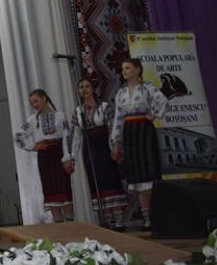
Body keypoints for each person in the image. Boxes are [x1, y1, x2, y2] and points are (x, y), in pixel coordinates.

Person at [111, 57, 169, 230]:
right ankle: (147, 218)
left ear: (137, 70)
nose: (124, 71)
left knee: (148, 172)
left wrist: (154, 114)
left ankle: (157, 215)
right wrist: (116, 142)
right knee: (137, 176)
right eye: (123, 68)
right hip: (129, 133)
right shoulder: (121, 93)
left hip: (144, 131)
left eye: (128, 68)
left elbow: (163, 101)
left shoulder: (147, 87)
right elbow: (118, 119)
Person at [73, 77, 127, 230]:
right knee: (97, 182)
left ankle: (119, 220)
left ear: (93, 89)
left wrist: (115, 147)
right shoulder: (78, 111)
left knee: (110, 180)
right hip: (89, 148)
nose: (84, 89)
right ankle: (107, 221)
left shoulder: (104, 107)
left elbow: (113, 127)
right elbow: (76, 135)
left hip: (104, 145)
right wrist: (71, 155)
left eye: (87, 86)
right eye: (81, 87)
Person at [15, 89, 76, 222]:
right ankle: (59, 227)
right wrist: (33, 146)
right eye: (32, 103)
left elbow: (67, 136)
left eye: (36, 101)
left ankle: (71, 227)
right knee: (51, 194)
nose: (34, 105)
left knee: (65, 193)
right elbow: (18, 136)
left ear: (44, 98)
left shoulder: (60, 115)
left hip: (59, 155)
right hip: (44, 158)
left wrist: (67, 158)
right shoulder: (32, 120)